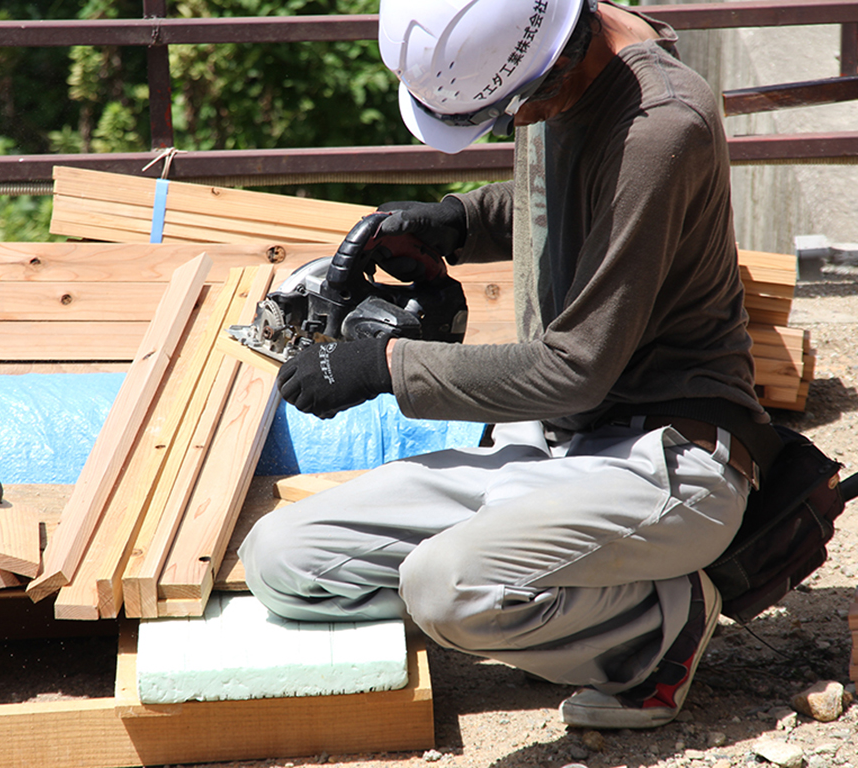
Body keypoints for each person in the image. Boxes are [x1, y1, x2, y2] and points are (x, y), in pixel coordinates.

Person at [239, 0, 777, 729]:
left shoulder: (660, 126)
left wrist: (386, 364)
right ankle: (539, 594)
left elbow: (575, 368)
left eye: (504, 115)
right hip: (556, 439)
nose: (513, 128)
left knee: (444, 587)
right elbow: (562, 195)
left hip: (666, 457)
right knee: (282, 559)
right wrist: (459, 221)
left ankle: (658, 626)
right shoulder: (569, 52)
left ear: (552, 63)